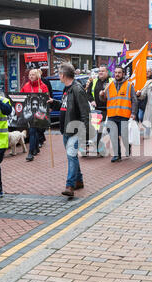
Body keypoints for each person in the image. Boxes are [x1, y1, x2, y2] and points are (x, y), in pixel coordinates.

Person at [47, 63, 90, 197]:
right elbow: (65, 107)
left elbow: (85, 112)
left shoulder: (77, 89)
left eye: (59, 73)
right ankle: (79, 181)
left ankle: (69, 185)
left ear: (63, 75)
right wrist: (54, 102)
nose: (58, 76)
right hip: (66, 129)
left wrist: (86, 133)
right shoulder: (67, 89)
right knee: (72, 157)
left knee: (71, 157)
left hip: (75, 130)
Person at [100, 66, 138, 162]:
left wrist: (133, 113)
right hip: (112, 115)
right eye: (116, 72)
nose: (117, 74)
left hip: (124, 115)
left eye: (119, 72)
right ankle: (117, 155)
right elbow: (104, 99)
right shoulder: (109, 85)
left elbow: (134, 100)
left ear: (123, 74)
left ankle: (127, 146)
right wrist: (102, 96)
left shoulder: (129, 85)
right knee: (113, 135)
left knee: (124, 135)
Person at [21, 69, 49, 162]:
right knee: (33, 130)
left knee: (35, 131)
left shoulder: (43, 86)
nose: (31, 76)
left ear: (37, 76)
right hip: (30, 113)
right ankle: (32, 151)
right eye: (30, 75)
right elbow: (21, 97)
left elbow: (47, 100)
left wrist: (42, 94)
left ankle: (33, 150)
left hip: (40, 113)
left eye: (33, 75)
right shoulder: (26, 86)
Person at [86, 64, 114, 157]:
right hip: (97, 110)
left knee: (109, 130)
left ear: (107, 72)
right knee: (97, 130)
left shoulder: (112, 81)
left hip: (109, 110)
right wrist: (92, 100)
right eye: (99, 71)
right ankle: (99, 149)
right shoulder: (93, 82)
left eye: (103, 71)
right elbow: (88, 93)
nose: (100, 73)